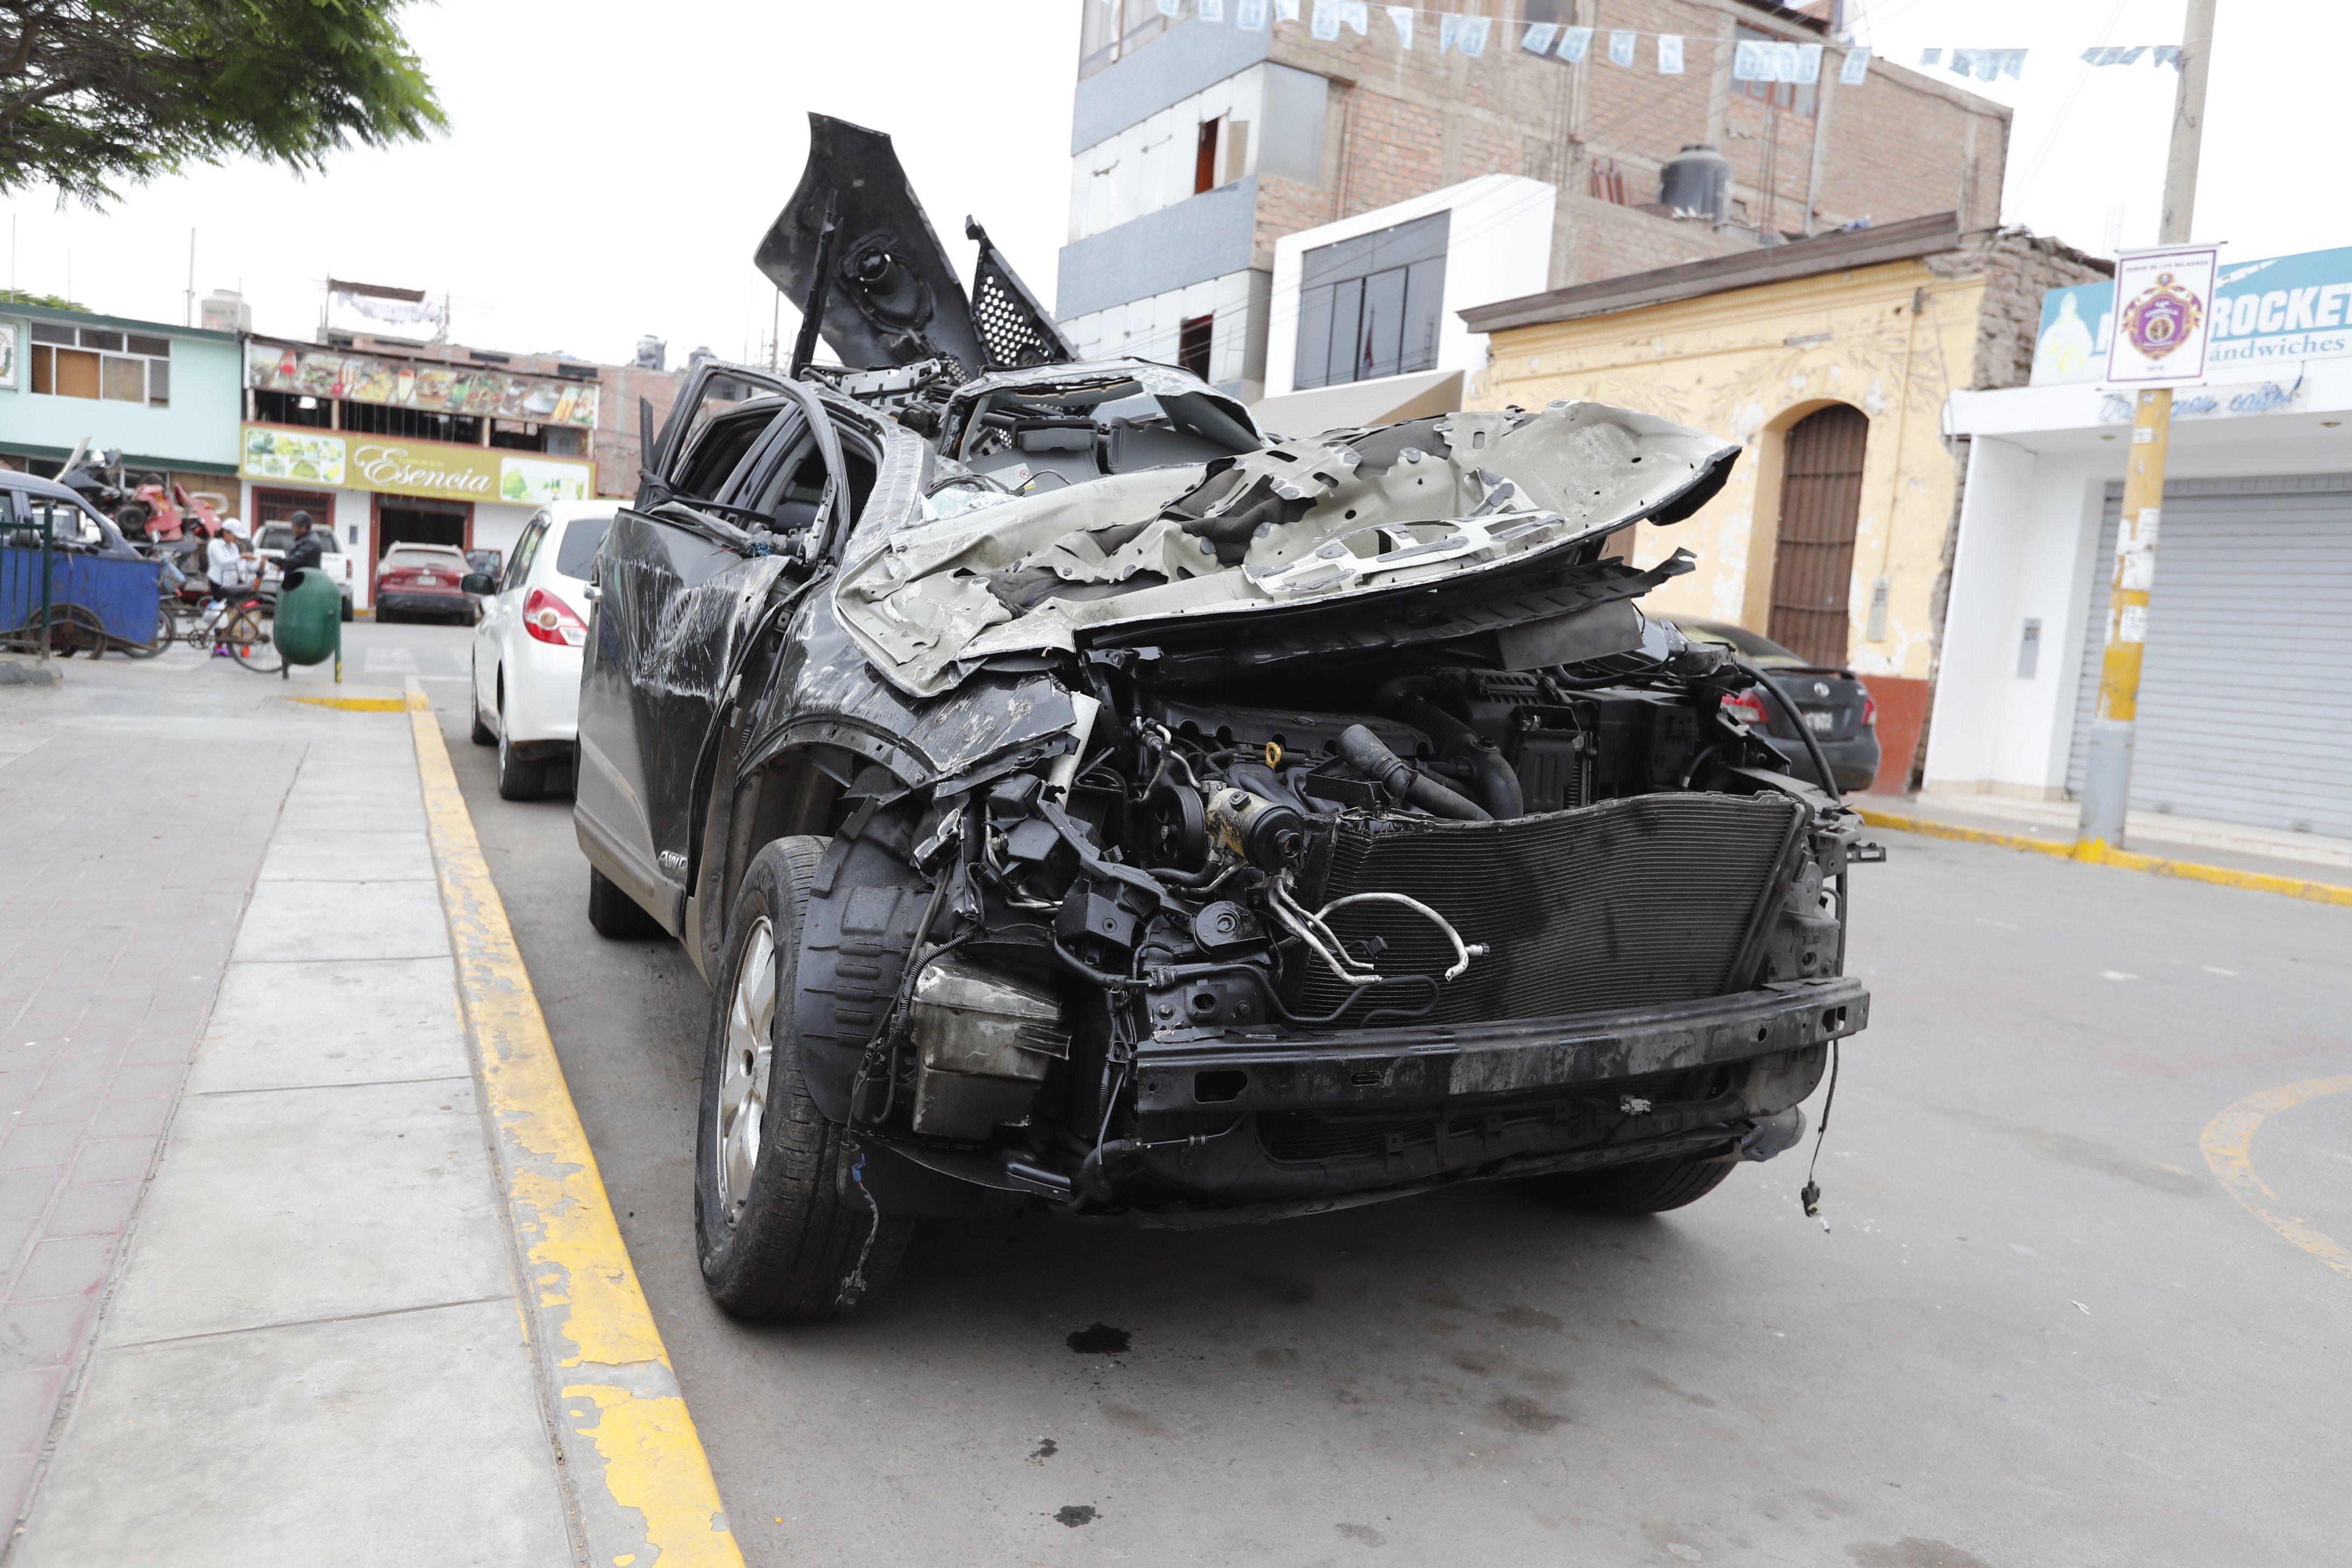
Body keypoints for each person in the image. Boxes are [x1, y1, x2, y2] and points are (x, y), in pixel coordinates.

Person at [200, 517, 257, 656]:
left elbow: (237, 565)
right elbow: (223, 562)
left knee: (229, 614)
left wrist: (251, 565)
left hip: (231, 584)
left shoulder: (233, 547)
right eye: (235, 535)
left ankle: (226, 641)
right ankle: (219, 644)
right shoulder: (215, 544)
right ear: (226, 533)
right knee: (220, 613)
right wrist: (242, 557)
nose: (237, 539)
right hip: (218, 583)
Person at [279, 510, 324, 584]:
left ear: (304, 528)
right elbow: (294, 559)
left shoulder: (311, 542)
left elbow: (296, 561)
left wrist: (275, 560)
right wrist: (284, 566)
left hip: (305, 583)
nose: (292, 530)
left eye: (294, 526)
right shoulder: (301, 539)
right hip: (295, 581)